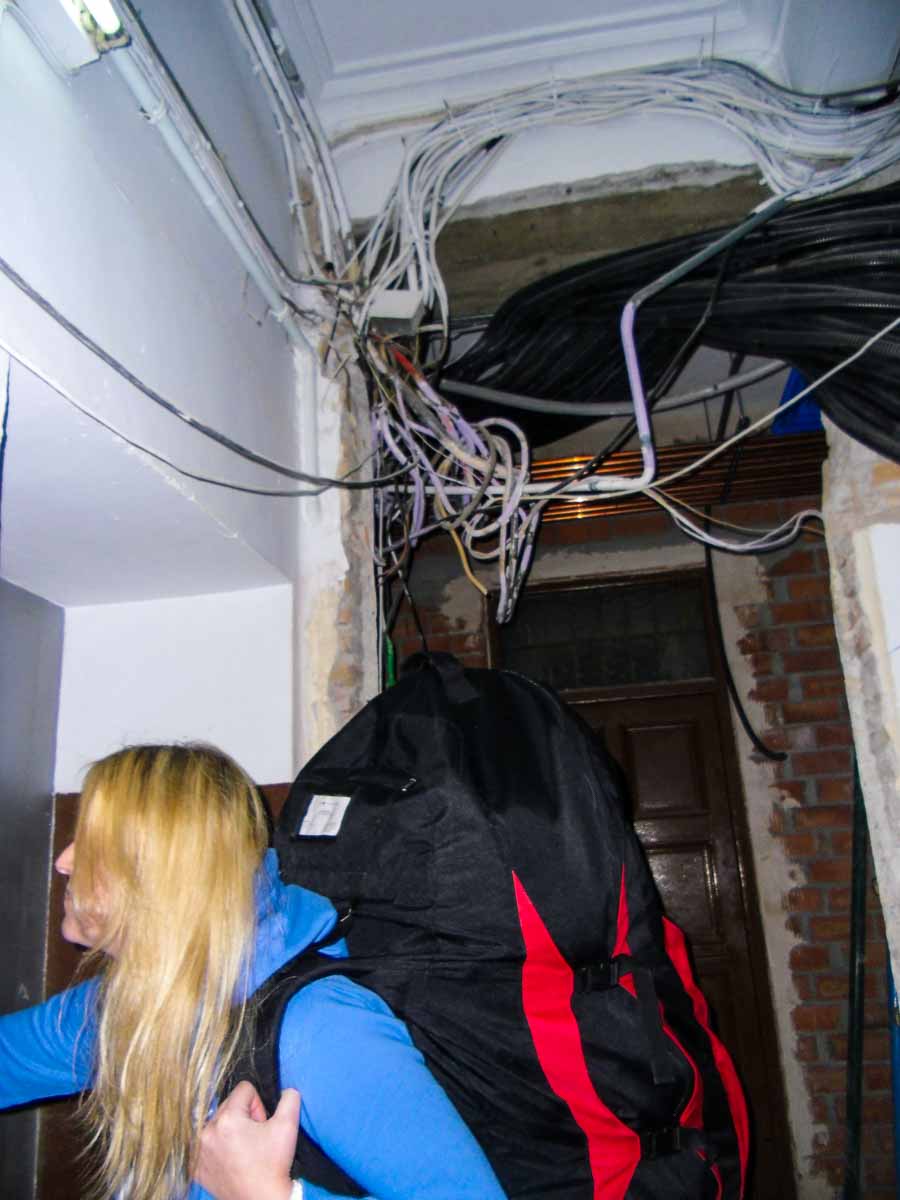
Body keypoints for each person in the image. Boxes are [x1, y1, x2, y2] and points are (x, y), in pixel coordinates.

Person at [0, 743, 506, 1200]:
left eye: (93, 847)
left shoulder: (322, 1030)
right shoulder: (133, 1001)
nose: (65, 861)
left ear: (162, 877)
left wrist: (273, 1196)